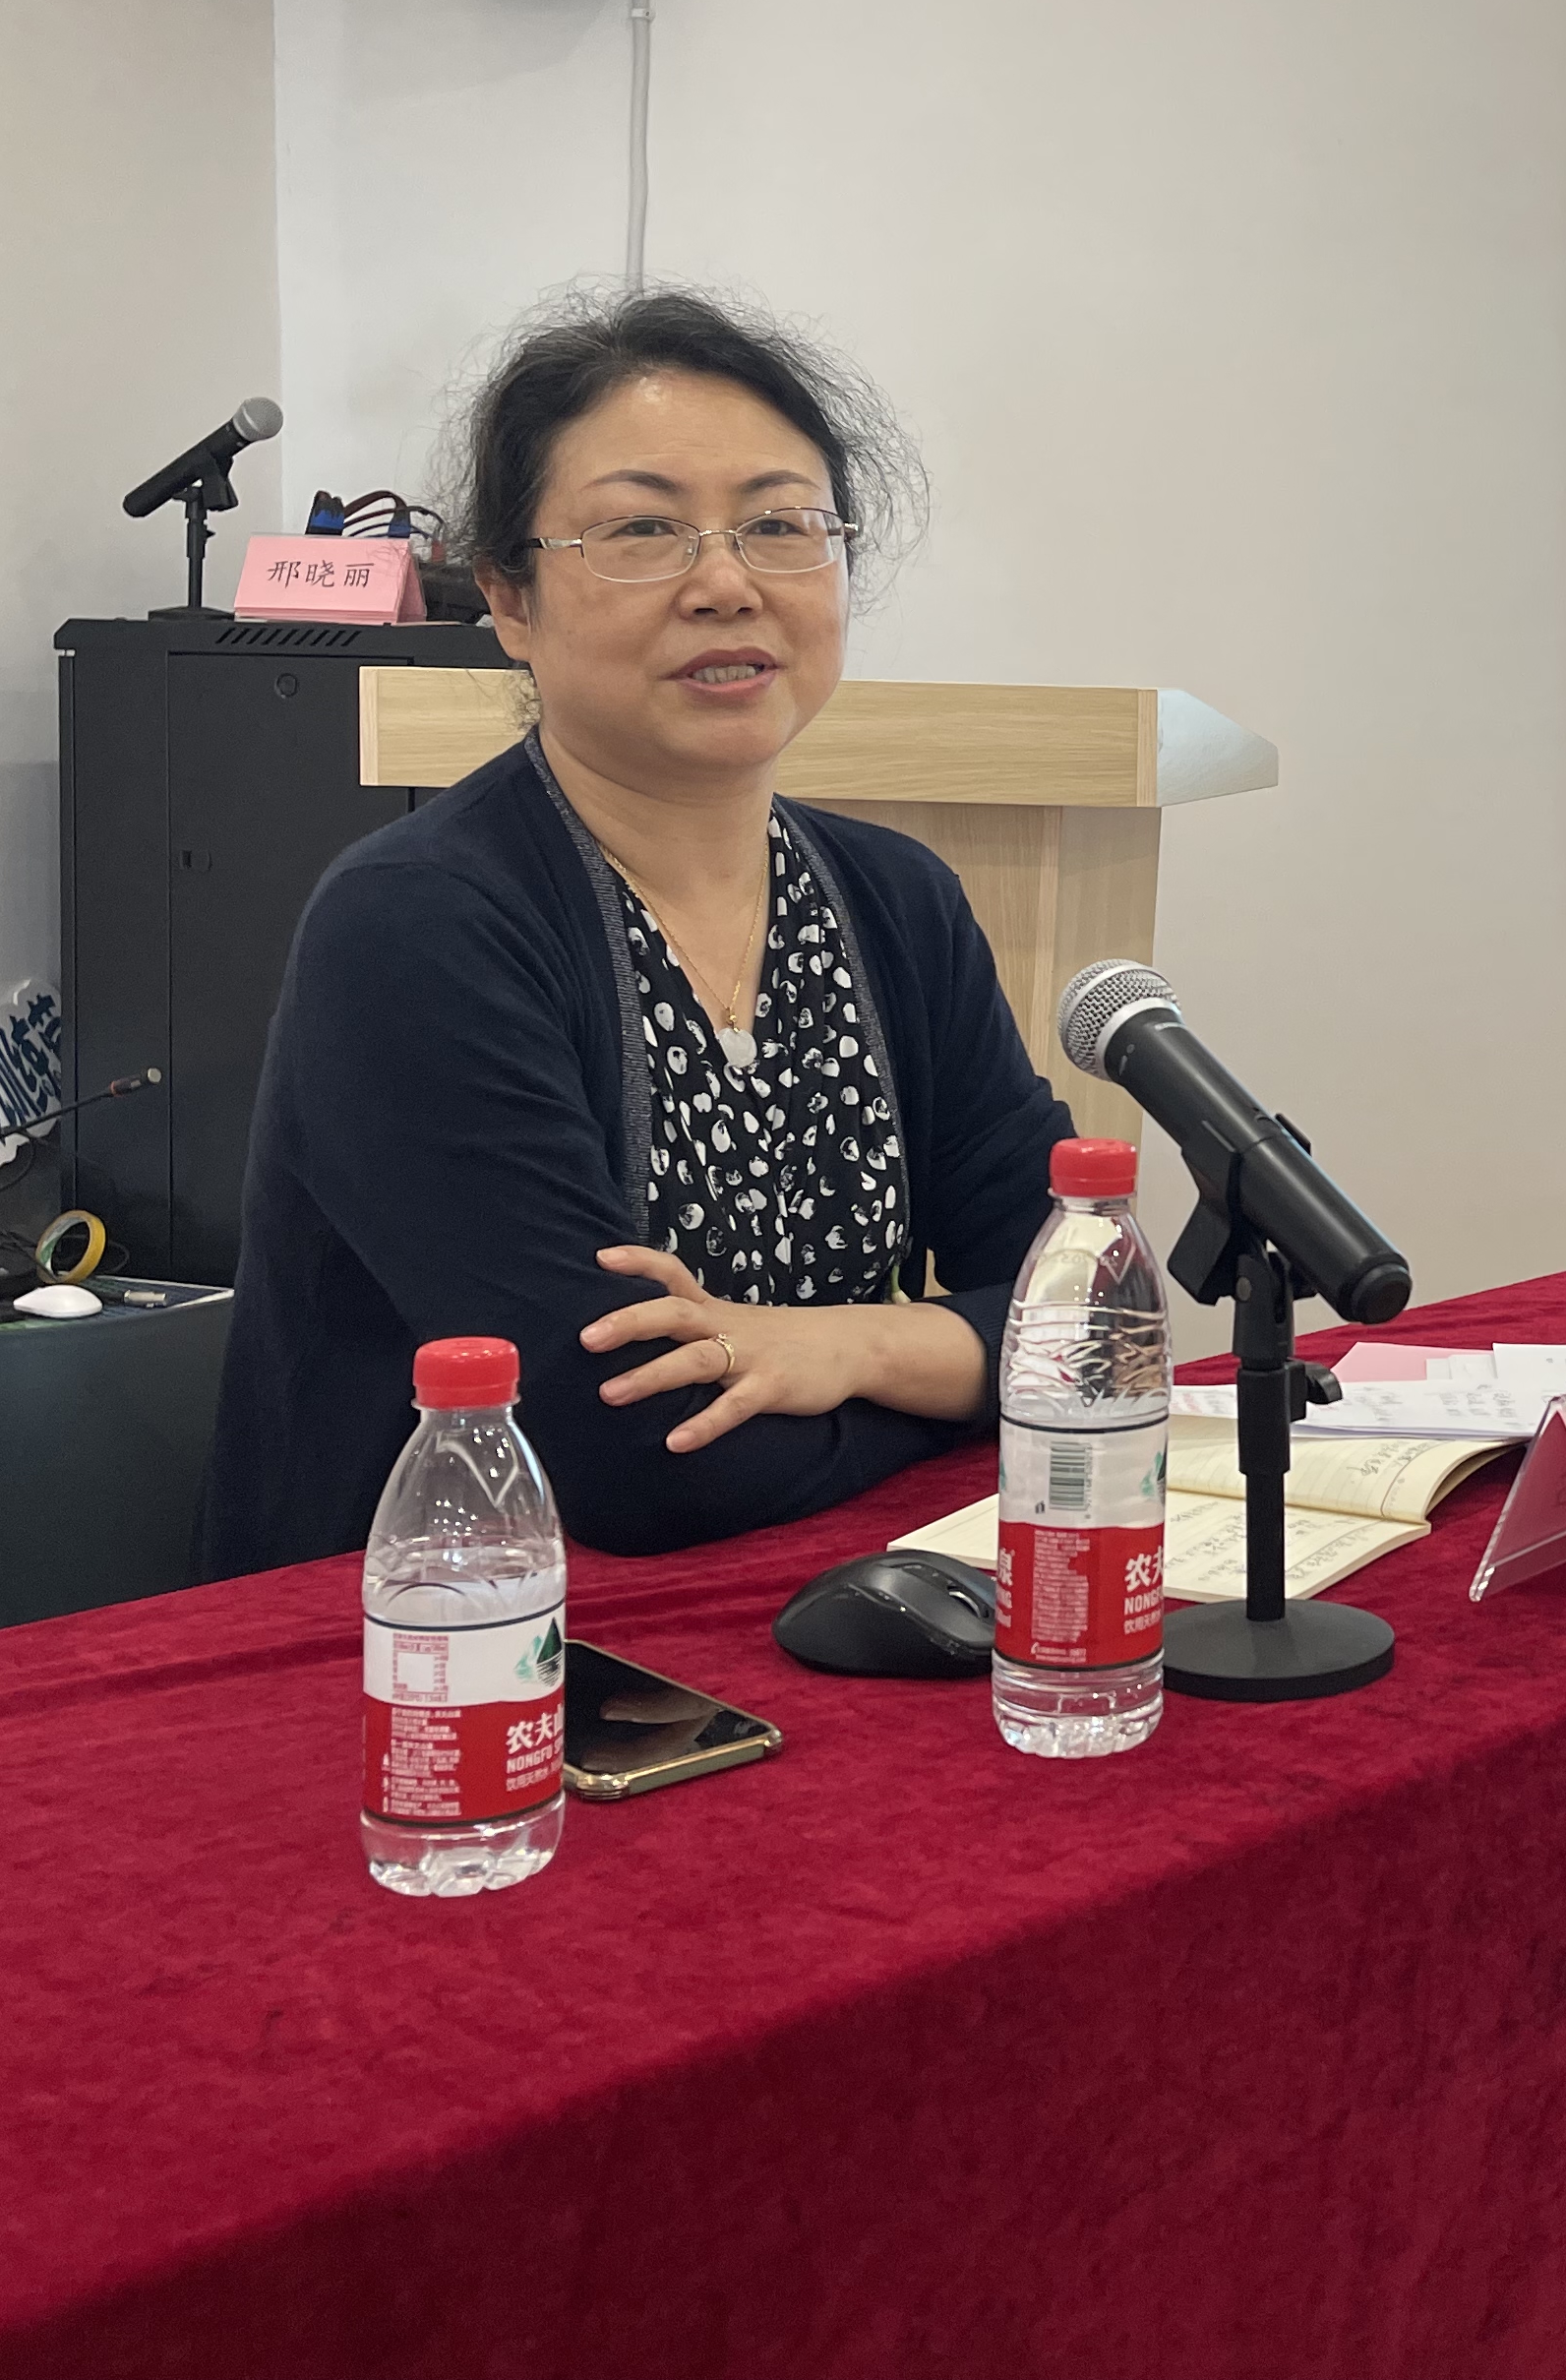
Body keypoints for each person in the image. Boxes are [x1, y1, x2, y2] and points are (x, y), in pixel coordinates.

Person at [202, 292, 1068, 1569]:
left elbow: (1085, 1314)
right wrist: (959, 1370)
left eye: (781, 525)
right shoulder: (417, 928)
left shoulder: (898, 901)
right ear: (510, 599)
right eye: (643, 531)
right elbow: (635, 1455)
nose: (726, 584)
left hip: (820, 1587)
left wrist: (848, 1345)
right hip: (437, 1634)